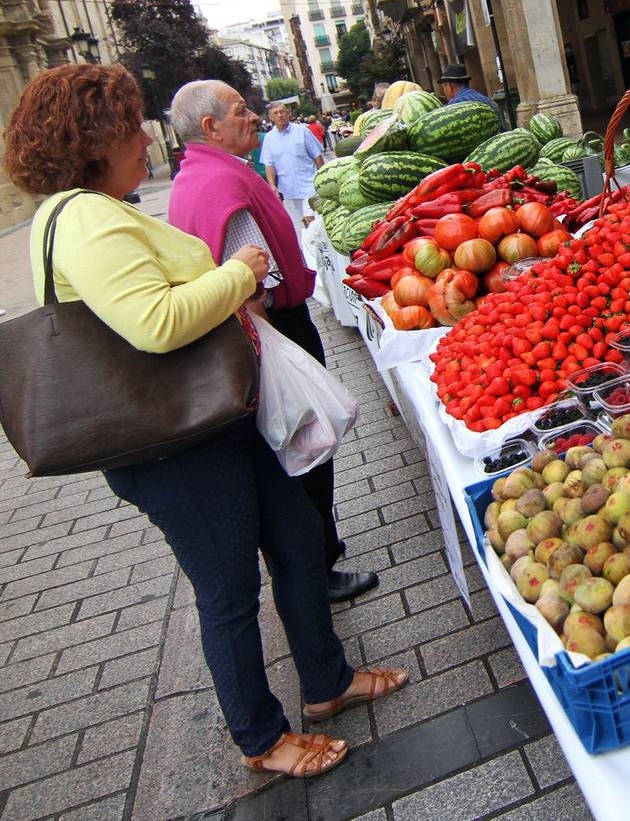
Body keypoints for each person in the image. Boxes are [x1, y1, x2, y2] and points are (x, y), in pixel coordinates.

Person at [3, 64, 407, 779]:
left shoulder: (107, 208)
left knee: (297, 533)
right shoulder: (86, 219)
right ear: (93, 139)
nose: (145, 139)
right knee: (227, 591)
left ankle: (326, 682)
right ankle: (260, 738)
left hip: (215, 421)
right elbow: (154, 324)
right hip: (169, 443)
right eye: (129, 126)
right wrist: (240, 274)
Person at [167, 79, 380, 604]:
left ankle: (313, 555)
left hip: (245, 334)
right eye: (240, 111)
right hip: (269, 330)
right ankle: (317, 567)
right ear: (211, 126)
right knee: (306, 441)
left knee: (292, 446)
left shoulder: (196, 175)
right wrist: (274, 356)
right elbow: (253, 279)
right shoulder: (223, 185)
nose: (253, 117)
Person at [260, 102, 324, 239]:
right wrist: (272, 186)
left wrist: (323, 178)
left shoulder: (302, 131)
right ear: (271, 117)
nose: (280, 115)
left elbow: (317, 155)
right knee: (299, 229)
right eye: (275, 113)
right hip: (289, 191)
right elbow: (269, 165)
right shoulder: (269, 139)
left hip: (309, 186)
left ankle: (322, 253)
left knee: (312, 222)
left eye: (282, 111)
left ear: (288, 113)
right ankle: (309, 257)